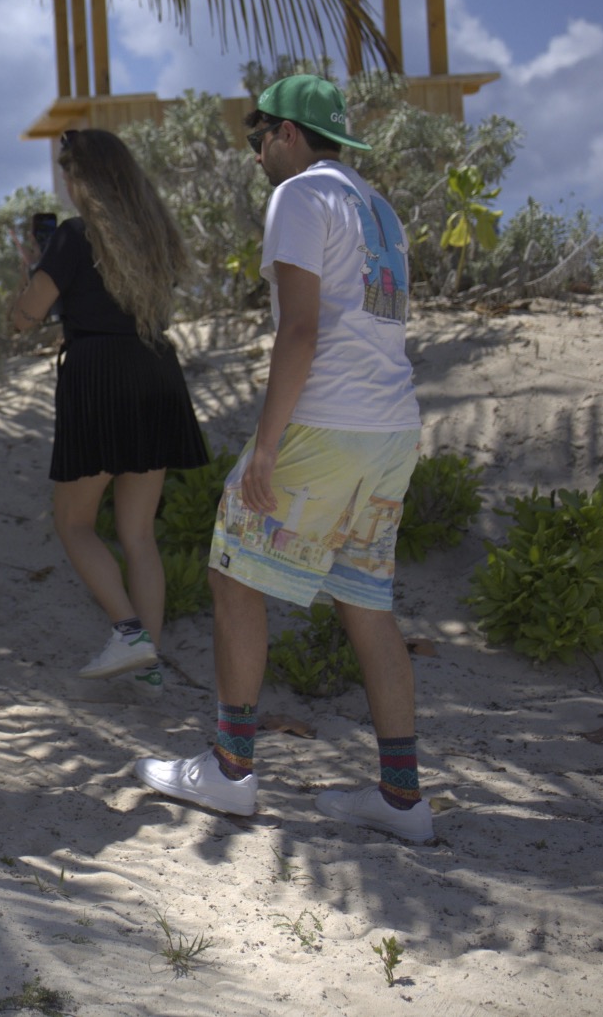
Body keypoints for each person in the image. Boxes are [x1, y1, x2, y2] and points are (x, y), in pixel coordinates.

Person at [136, 75, 431, 842]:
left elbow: (300, 331)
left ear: (291, 133)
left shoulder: (301, 198)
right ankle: (403, 796)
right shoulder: (379, 208)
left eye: (258, 135)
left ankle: (232, 772)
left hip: (325, 425)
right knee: (367, 601)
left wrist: (265, 448)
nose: (256, 152)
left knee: (233, 571)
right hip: (391, 428)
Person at [7, 128, 209, 690]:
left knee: (73, 522)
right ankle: (149, 667)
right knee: (139, 534)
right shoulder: (154, 235)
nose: (66, 184)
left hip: (98, 377)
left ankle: (128, 633)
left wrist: (29, 273)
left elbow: (27, 315)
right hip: (155, 370)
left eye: (69, 173)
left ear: (84, 180)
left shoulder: (74, 237)